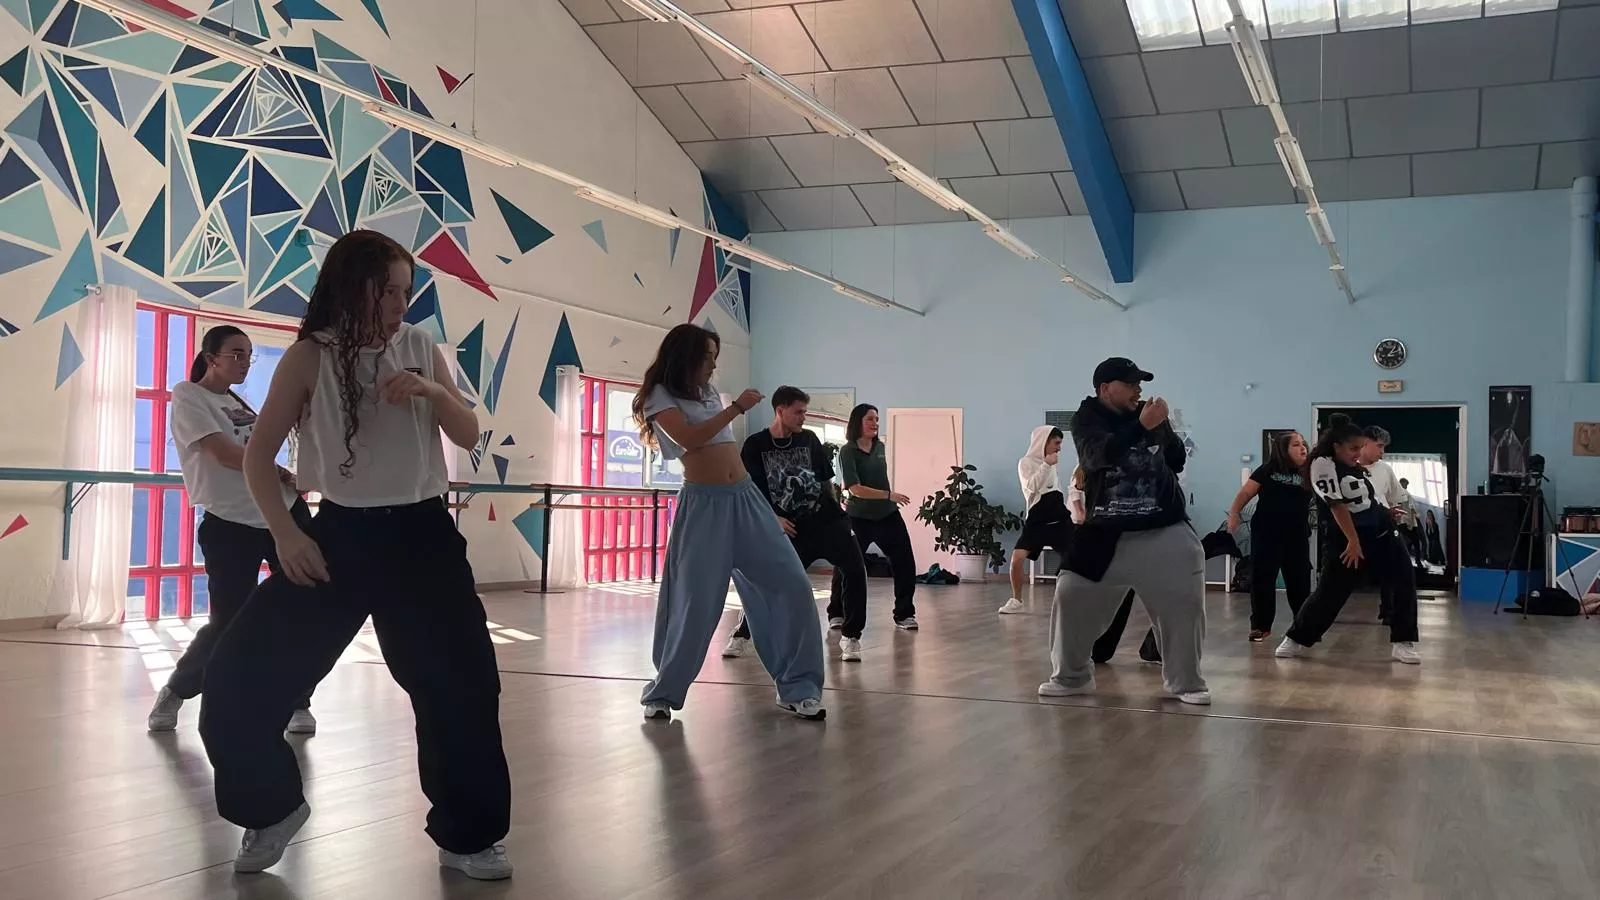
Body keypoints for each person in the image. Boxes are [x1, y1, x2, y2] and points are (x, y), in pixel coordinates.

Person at [196, 230, 513, 880]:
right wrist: (287, 535)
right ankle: (271, 809)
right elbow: (259, 456)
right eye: (386, 291)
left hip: (424, 539)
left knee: (462, 688)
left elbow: (468, 432)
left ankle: (469, 834)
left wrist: (432, 392)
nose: (399, 304)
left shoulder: (420, 345)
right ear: (351, 288)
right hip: (338, 538)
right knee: (234, 679)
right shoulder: (309, 357)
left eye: (405, 291)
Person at [636, 325, 826, 721]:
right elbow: (689, 438)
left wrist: (730, 406)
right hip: (703, 507)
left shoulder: (707, 392)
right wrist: (736, 407)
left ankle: (799, 687)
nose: (713, 364)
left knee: (793, 584)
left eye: (714, 356)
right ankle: (664, 692)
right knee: (695, 602)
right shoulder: (660, 395)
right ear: (685, 356)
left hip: (745, 499)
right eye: (707, 356)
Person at [147, 326, 318, 735]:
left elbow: (259, 448)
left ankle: (297, 701)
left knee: (307, 607)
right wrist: (275, 469)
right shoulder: (189, 395)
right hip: (231, 523)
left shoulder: (239, 403)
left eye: (248, 355)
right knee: (229, 621)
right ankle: (177, 689)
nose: (244, 363)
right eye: (236, 354)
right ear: (211, 358)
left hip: (283, 512)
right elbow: (222, 452)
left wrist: (289, 476)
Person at [1039, 358, 1210, 705]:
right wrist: (1142, 426)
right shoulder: (1086, 419)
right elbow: (1095, 457)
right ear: (1105, 389)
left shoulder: (1148, 414)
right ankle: (1071, 677)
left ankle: (1187, 683)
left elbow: (1176, 461)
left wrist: (1164, 428)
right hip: (1104, 531)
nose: (1138, 390)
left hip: (1163, 525)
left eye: (1140, 384)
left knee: (1185, 601)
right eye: (1130, 384)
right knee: (1070, 593)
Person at [723, 386, 869, 661]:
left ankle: (851, 636)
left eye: (805, 411)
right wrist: (773, 519)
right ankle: (743, 634)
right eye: (798, 412)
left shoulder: (810, 439)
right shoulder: (756, 445)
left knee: (855, 570)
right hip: (789, 527)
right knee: (769, 583)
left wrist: (839, 517)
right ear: (780, 411)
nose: (803, 417)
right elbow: (749, 491)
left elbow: (825, 482)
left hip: (826, 521)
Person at [1276, 415, 1421, 664]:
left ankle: (1403, 641)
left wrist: (1385, 512)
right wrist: (1353, 541)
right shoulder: (1322, 464)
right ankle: (1296, 638)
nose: (1358, 454)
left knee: (1404, 581)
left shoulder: (1355, 465)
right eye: (1354, 449)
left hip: (1383, 533)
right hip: (1345, 538)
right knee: (1331, 591)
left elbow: (1364, 501)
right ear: (1337, 446)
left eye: (1360, 448)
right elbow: (1337, 506)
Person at [837, 404, 919, 630]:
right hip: (858, 517)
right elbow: (855, 489)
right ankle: (836, 612)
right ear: (858, 422)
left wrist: (887, 500)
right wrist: (889, 495)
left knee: (905, 563)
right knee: (846, 564)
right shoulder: (847, 451)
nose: (875, 423)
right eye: (870, 419)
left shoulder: (879, 446)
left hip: (887, 515)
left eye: (877, 419)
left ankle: (904, 614)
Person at [1226, 430, 1313, 642]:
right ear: (1283, 449)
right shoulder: (1268, 470)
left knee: (1300, 581)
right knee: (1262, 579)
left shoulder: (1310, 472)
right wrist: (1235, 513)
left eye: (1303, 444)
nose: (1303, 448)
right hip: (1266, 534)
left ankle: (1303, 626)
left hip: (1296, 535)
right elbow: (1245, 493)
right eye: (1296, 445)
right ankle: (1261, 626)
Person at [1000, 426, 1070, 615]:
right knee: (1017, 559)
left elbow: (1055, 488)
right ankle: (1016, 600)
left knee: (1075, 557)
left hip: (1059, 521)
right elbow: (1032, 486)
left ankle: (1073, 600)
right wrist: (1046, 464)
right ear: (1044, 442)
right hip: (1037, 522)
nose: (1059, 448)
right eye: (1056, 443)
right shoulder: (1026, 463)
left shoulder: (1052, 463)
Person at [1359, 426, 1408, 622]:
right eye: (1379, 446)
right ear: (1365, 442)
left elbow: (1396, 497)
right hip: (1357, 526)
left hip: (1384, 524)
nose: (1382, 452)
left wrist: (1395, 513)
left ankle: (1388, 610)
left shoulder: (1385, 469)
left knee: (1391, 569)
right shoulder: (1348, 469)